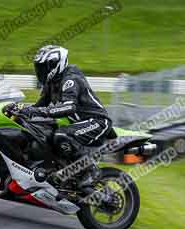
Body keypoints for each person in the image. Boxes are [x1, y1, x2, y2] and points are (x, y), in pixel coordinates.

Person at [16, 45, 113, 188]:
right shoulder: (52, 82)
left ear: (56, 64)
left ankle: (91, 170)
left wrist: (41, 112)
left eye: (44, 67)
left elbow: (69, 106)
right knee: (43, 133)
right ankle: (61, 172)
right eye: (39, 67)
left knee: (62, 135)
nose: (41, 71)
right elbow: (39, 105)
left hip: (97, 122)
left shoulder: (70, 80)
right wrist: (19, 109)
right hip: (79, 123)